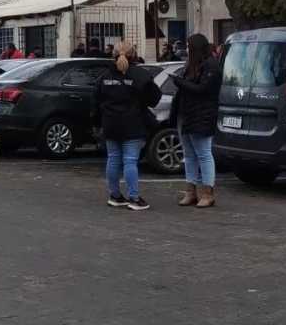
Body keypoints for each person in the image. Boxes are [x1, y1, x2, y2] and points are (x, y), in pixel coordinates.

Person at [93, 41, 162, 211]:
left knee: (113, 159)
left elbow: (95, 101)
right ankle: (134, 197)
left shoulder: (104, 76)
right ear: (133, 55)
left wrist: (96, 122)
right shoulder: (140, 75)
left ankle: (115, 195)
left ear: (113, 54)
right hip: (133, 123)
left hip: (110, 123)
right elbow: (154, 98)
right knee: (130, 160)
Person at [171, 33, 222, 208]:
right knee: (189, 155)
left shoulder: (211, 66)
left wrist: (179, 82)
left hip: (202, 115)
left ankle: (207, 192)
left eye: (188, 46)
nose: (186, 49)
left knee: (204, 153)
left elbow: (202, 89)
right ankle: (190, 191)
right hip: (187, 114)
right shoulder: (190, 65)